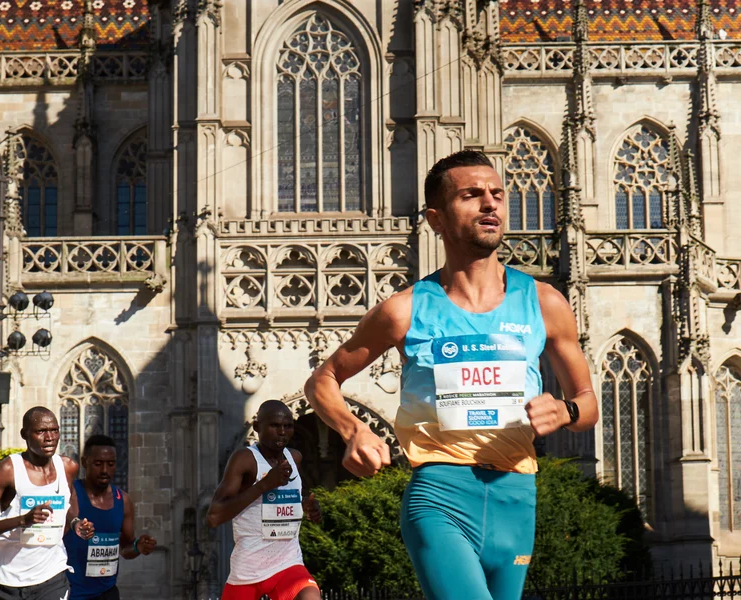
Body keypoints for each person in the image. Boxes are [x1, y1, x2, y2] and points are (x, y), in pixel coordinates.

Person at [304, 150, 600, 600]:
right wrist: (353, 430)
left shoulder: (545, 302)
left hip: (517, 496)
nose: (490, 204)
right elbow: (322, 380)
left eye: (497, 194)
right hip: (440, 494)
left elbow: (588, 404)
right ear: (436, 219)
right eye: (472, 195)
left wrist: (565, 409)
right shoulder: (403, 310)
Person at [0, 407, 95, 600]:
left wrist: (75, 523)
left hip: (51, 576)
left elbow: (70, 507)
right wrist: (23, 520)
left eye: (54, 430)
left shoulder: (67, 467)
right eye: (41, 431)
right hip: (9, 579)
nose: (49, 437)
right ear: (25, 434)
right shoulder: (8, 470)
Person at [207, 400, 322, 600]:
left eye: (288, 426)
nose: (282, 432)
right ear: (257, 427)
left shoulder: (294, 458)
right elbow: (214, 516)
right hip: (248, 571)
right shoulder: (245, 460)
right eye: (274, 426)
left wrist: (306, 506)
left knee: (311, 596)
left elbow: (285, 499)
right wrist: (264, 485)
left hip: (287, 563)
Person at [63, 435, 157, 600]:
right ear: (85, 463)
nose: (105, 470)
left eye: (111, 464)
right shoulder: (70, 494)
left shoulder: (124, 501)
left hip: (107, 593)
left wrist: (138, 547)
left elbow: (126, 548)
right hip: (70, 592)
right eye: (98, 464)